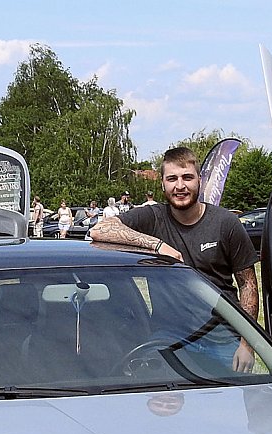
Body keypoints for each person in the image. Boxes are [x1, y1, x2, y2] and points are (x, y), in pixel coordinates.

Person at [90, 146, 259, 372]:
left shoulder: (226, 223)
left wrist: (247, 345)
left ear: (200, 179)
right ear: (162, 183)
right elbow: (100, 229)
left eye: (187, 177)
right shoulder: (153, 219)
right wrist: (157, 245)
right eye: (172, 179)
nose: (180, 186)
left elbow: (248, 285)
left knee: (230, 404)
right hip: (168, 338)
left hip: (222, 337)